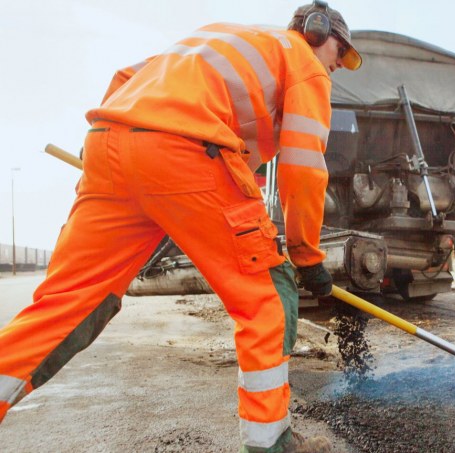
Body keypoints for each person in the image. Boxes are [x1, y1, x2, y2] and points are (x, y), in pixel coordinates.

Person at [0, 2, 361, 451]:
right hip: (185, 150)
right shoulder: (303, 62)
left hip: (109, 143)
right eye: (338, 51)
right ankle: (272, 441)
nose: (336, 64)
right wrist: (306, 257)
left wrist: (130, 169)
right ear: (315, 30)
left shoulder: (218, 38)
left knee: (69, 302)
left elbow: (124, 78)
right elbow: (304, 167)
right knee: (267, 296)